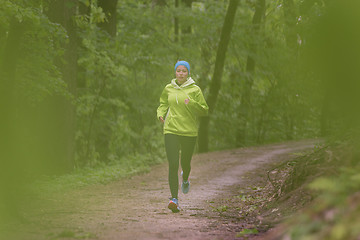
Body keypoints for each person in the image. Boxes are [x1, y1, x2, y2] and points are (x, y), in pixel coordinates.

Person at [157, 60, 209, 213]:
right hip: (171, 129)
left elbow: (204, 110)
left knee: (185, 162)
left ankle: (185, 177)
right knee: (173, 164)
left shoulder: (195, 89)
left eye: (183, 71)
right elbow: (163, 104)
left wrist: (191, 103)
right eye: (178, 70)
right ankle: (174, 199)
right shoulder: (168, 88)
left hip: (189, 131)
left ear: (188, 73)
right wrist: (160, 114)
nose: (180, 73)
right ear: (175, 72)